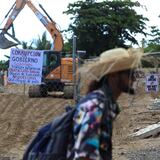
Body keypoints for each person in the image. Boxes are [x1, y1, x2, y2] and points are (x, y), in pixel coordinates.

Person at [70, 48, 143, 160]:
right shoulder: (96, 105)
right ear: (113, 74)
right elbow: (84, 156)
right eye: (130, 73)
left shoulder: (105, 104)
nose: (134, 78)